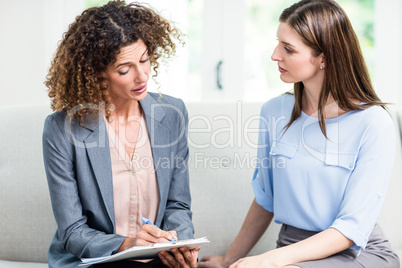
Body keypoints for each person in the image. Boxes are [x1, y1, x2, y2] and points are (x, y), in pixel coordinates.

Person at [199, 0, 400, 267]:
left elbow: (351, 229)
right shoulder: (274, 112)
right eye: (278, 43)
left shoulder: (374, 124)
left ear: (324, 58)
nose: (274, 55)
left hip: (356, 254)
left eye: (288, 49)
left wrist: (268, 260)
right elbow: (265, 199)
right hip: (291, 250)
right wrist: (229, 260)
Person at [42, 1, 199, 267]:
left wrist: (179, 245)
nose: (142, 76)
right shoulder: (62, 128)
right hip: (96, 260)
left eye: (145, 60)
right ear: (97, 73)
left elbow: (177, 206)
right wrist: (128, 245)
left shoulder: (172, 113)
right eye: (125, 70)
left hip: (157, 258)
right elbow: (72, 231)